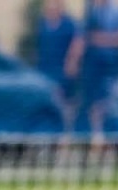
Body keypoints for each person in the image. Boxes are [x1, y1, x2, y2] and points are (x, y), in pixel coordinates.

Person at [72, 0, 118, 144]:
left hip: (111, 65)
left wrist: (101, 39)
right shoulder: (90, 11)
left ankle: (110, 138)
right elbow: (81, 37)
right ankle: (96, 136)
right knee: (90, 102)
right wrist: (73, 60)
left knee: (108, 101)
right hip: (91, 66)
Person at [35, 0, 81, 132]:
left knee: (65, 104)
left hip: (62, 71)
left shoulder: (69, 25)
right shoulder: (43, 24)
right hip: (45, 70)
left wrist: (72, 62)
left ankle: (66, 133)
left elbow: (77, 43)